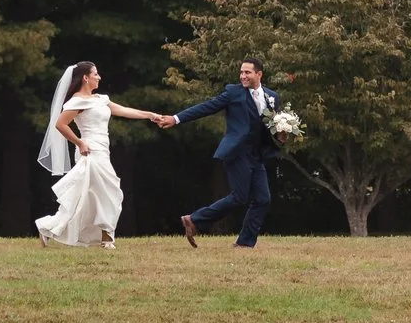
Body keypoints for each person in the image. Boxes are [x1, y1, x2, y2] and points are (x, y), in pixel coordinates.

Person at [34, 62, 177, 248]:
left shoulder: (101, 99)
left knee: (89, 196)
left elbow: (123, 110)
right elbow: (61, 124)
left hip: (103, 149)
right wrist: (79, 142)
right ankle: (107, 239)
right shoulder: (77, 101)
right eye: (95, 74)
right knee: (110, 191)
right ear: (86, 78)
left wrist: (150, 115)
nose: (99, 77)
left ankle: (49, 227)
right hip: (90, 150)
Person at [171, 59, 285, 249]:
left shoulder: (272, 97)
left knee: (263, 199)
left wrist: (281, 135)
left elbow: (272, 125)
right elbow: (206, 107)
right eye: (241, 72)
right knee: (239, 197)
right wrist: (176, 119)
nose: (243, 76)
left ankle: (244, 243)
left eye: (247, 72)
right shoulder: (233, 93)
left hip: (257, 155)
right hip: (237, 152)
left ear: (259, 74)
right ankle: (195, 219)